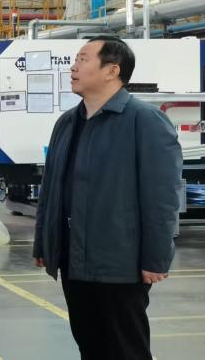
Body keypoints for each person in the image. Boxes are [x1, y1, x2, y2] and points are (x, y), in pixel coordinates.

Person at [32, 36, 182, 360]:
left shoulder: (144, 121)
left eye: (83, 59)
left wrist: (156, 258)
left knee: (125, 349)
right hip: (73, 261)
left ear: (112, 70)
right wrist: (44, 242)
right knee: (90, 346)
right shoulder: (67, 123)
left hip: (119, 264)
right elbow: (52, 189)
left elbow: (162, 197)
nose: (73, 67)